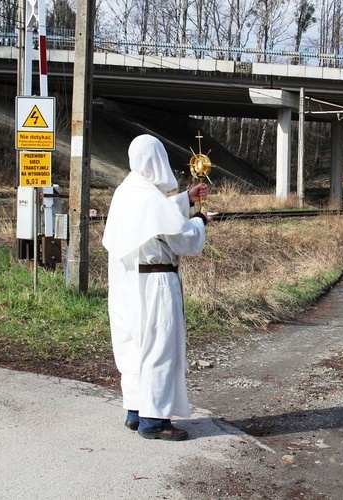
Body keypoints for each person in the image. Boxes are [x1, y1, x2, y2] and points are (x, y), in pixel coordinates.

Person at [102, 134, 209, 441]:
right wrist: (199, 220)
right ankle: (155, 420)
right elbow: (183, 238)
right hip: (156, 283)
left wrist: (185, 199)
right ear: (157, 160)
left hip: (128, 282)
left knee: (135, 346)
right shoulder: (150, 200)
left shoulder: (128, 190)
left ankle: (136, 412)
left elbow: (154, 215)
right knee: (160, 347)